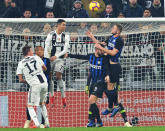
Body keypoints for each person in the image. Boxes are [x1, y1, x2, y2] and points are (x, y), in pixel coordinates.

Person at [86, 24, 132, 127]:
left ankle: (123, 118)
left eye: (113, 28)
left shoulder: (119, 40)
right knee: (105, 93)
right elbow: (100, 44)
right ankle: (104, 113)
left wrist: (103, 50)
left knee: (114, 94)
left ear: (118, 31)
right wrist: (92, 37)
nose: (112, 29)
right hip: (105, 75)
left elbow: (113, 53)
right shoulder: (110, 38)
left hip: (114, 68)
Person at [66, 45, 110, 127]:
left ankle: (96, 121)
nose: (103, 51)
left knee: (91, 101)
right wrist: (68, 55)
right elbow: (79, 56)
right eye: (102, 50)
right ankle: (95, 121)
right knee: (92, 103)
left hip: (101, 82)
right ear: (96, 50)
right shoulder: (91, 56)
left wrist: (107, 75)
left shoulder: (104, 58)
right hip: (93, 83)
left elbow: (107, 68)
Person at [16, 46, 49, 128]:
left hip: (34, 84)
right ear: (29, 52)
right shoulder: (36, 58)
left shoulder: (20, 63)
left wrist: (28, 81)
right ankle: (47, 124)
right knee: (42, 103)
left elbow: (20, 79)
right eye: (31, 51)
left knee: (30, 106)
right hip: (44, 83)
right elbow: (45, 69)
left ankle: (37, 125)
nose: (33, 52)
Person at [44, 19, 70, 107]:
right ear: (58, 25)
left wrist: (57, 56)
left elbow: (65, 50)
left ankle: (63, 97)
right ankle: (52, 97)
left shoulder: (66, 36)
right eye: (63, 24)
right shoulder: (51, 35)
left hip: (60, 59)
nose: (65, 26)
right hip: (50, 59)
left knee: (58, 76)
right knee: (50, 77)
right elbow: (46, 47)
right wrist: (47, 58)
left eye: (65, 25)